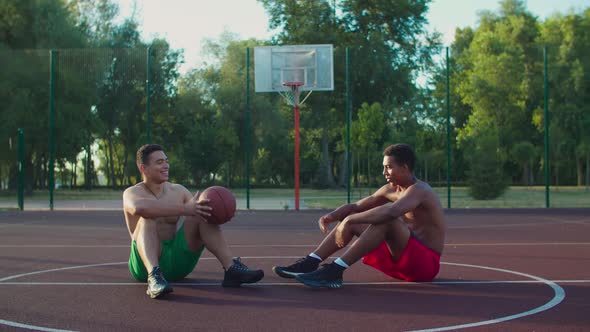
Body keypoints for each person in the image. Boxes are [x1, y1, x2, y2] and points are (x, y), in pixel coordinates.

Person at [273, 143, 445, 288]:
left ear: (405, 167)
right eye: (383, 167)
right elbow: (356, 206)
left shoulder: (420, 190)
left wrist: (348, 220)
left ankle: (334, 272)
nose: (384, 172)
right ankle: (310, 262)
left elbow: (391, 212)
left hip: (424, 266)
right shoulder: (391, 189)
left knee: (386, 221)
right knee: (357, 216)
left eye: (389, 167)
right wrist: (333, 216)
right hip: (400, 263)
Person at [123, 144, 264, 299]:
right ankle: (154, 277)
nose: (166, 166)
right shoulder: (132, 193)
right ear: (143, 168)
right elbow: (140, 208)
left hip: (177, 263)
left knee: (200, 212)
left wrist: (220, 212)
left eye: (166, 161)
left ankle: (231, 269)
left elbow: (201, 212)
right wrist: (184, 209)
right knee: (147, 219)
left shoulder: (178, 190)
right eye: (159, 162)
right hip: (143, 266)